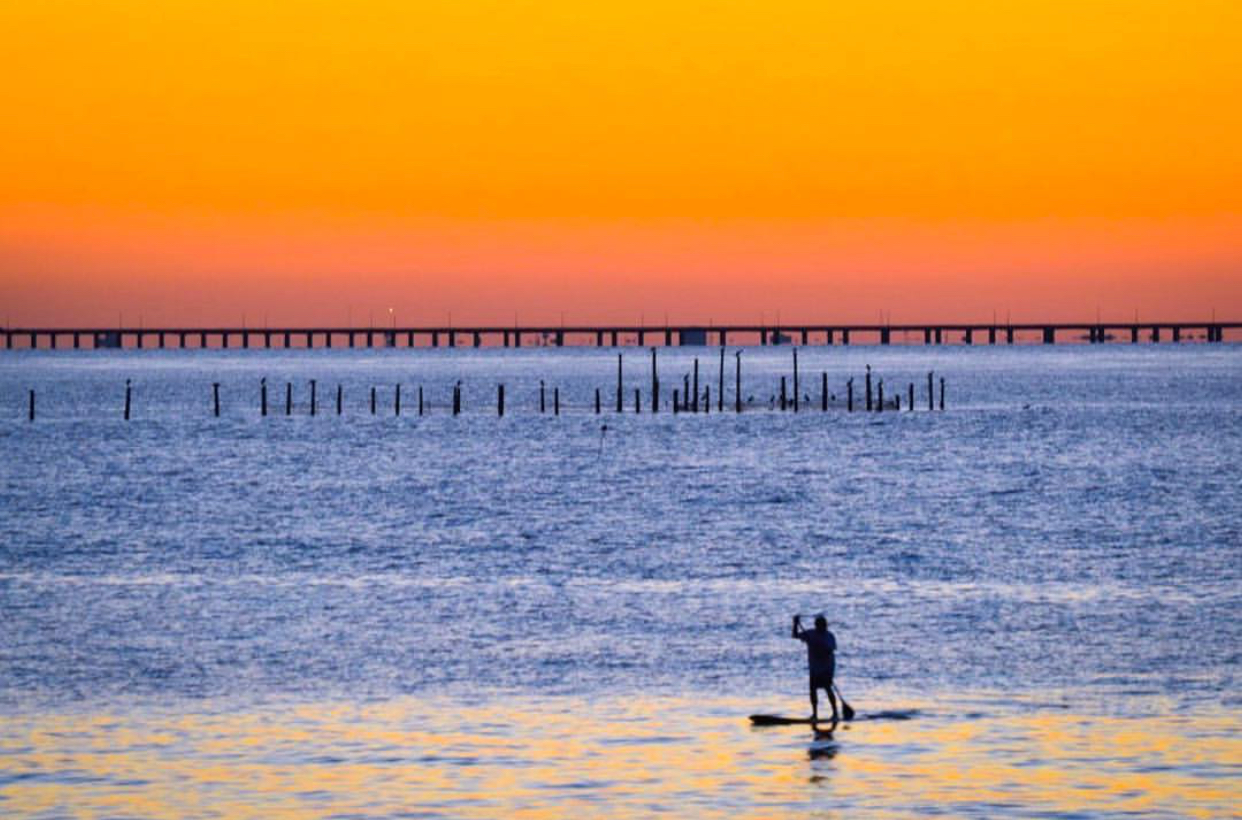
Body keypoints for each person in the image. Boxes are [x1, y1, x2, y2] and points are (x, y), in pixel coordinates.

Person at [792, 614, 838, 723]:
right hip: (814, 668)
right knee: (813, 690)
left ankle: (835, 713)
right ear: (816, 626)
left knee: (827, 689)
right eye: (819, 626)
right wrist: (795, 624)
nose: (821, 628)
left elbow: (830, 651)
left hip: (827, 668)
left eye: (823, 626)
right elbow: (795, 635)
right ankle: (815, 714)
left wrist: (820, 646)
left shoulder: (829, 636)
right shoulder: (811, 634)